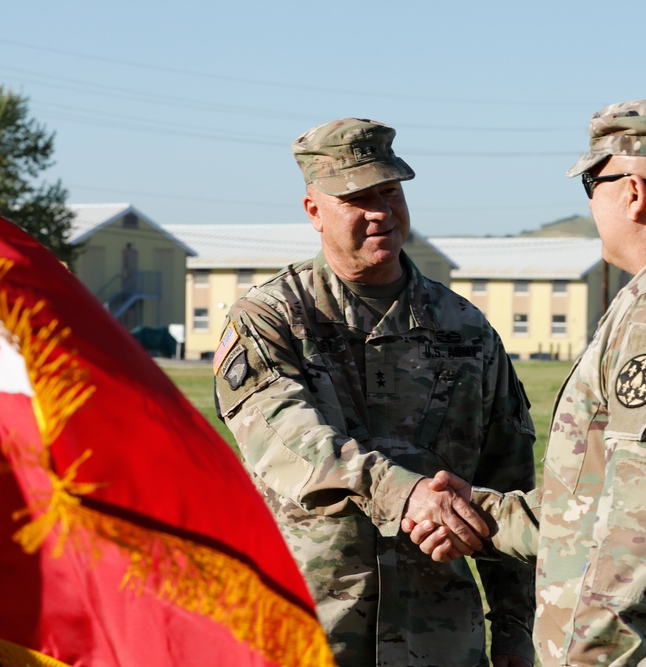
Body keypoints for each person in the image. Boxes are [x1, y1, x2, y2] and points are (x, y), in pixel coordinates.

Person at [403, 97, 646, 666]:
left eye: (592, 182)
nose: (592, 203)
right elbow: (605, 505)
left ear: (633, 191)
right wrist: (483, 515)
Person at [212, 118, 537, 667]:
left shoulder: (466, 329)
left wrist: (513, 629)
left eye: (390, 192)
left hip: (437, 640)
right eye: (357, 198)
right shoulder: (270, 319)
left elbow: (507, 477)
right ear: (314, 211)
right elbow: (293, 443)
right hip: (309, 632)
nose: (381, 212)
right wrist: (408, 494)